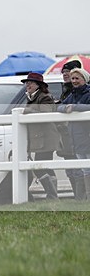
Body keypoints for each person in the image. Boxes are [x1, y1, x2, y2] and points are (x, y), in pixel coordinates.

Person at [20, 72, 61, 200]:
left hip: (46, 138)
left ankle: (52, 195)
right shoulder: (32, 97)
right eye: (27, 83)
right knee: (44, 166)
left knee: (40, 166)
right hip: (39, 138)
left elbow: (45, 112)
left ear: (38, 85)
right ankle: (52, 195)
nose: (28, 85)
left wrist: (27, 111)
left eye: (30, 83)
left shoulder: (45, 97)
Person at [56, 67, 90, 200]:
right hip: (77, 137)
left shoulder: (87, 92)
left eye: (77, 78)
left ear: (84, 79)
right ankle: (84, 198)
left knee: (87, 168)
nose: (74, 81)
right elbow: (60, 107)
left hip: (86, 135)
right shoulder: (73, 94)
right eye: (73, 78)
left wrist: (75, 108)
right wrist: (66, 108)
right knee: (83, 169)